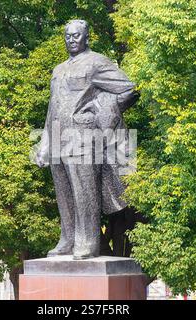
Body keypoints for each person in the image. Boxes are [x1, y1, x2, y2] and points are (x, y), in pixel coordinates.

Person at [36, 19, 139, 260]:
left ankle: (87, 242)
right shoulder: (58, 70)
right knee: (64, 194)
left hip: (84, 137)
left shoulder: (96, 62)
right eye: (68, 36)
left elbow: (129, 89)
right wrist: (43, 144)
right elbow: (53, 107)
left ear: (86, 38)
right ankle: (68, 238)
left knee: (85, 192)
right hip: (58, 137)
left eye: (76, 35)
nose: (71, 39)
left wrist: (100, 113)